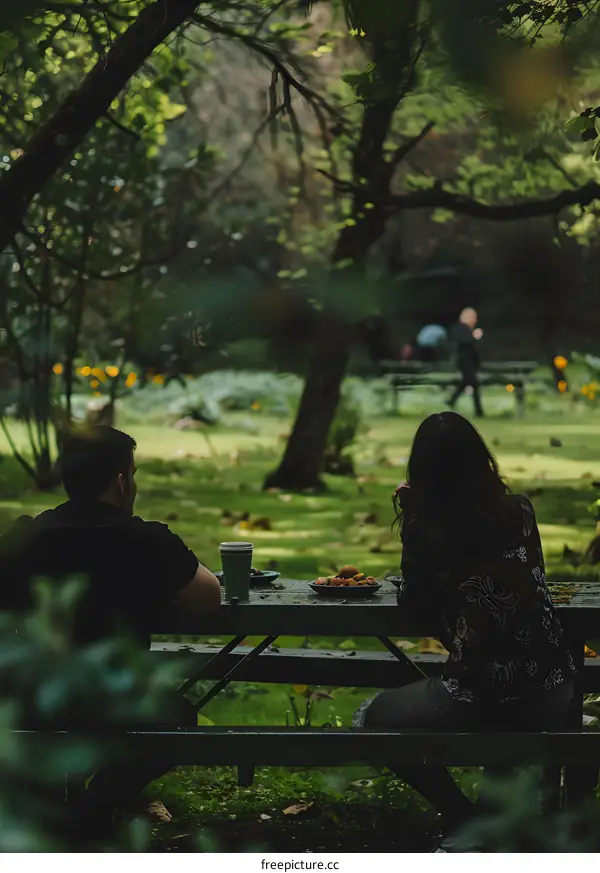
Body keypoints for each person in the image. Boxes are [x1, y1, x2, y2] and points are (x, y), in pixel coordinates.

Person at [354, 412, 576, 849]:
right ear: (482, 461)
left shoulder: (428, 530)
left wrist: (411, 523)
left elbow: (417, 604)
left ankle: (463, 817)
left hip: (480, 693)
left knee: (372, 720)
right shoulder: (521, 510)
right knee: (506, 728)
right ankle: (498, 819)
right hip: (554, 687)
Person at [0, 425, 221, 830]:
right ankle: (93, 806)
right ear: (121, 482)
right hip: (120, 701)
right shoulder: (146, 540)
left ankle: (58, 807)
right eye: (132, 474)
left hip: (39, 700)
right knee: (179, 719)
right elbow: (210, 597)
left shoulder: (26, 537)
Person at [447, 307, 484, 418]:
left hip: (469, 362)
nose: (475, 320)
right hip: (464, 362)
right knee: (474, 384)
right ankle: (479, 412)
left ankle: (451, 400)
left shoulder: (466, 330)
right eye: (474, 317)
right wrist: (474, 335)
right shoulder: (460, 329)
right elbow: (464, 342)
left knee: (466, 383)